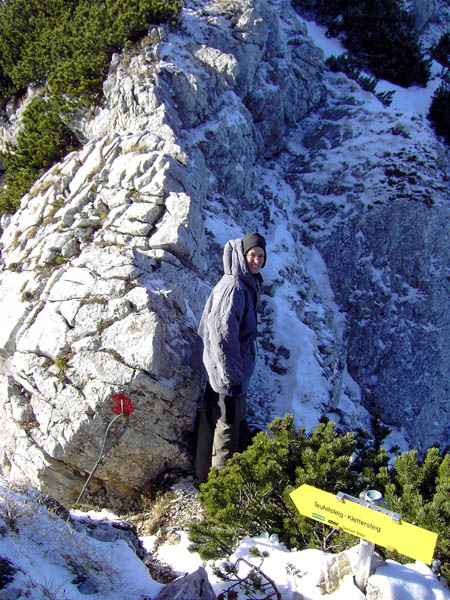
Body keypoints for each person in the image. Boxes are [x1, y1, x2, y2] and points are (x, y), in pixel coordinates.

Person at [194, 232, 266, 484]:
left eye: (260, 256)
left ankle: (202, 480)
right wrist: (232, 375)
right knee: (227, 428)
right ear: (243, 256)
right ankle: (219, 489)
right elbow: (224, 335)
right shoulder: (235, 287)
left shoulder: (241, 283)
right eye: (252, 255)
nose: (256, 260)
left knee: (212, 422)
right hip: (227, 373)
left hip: (220, 370)